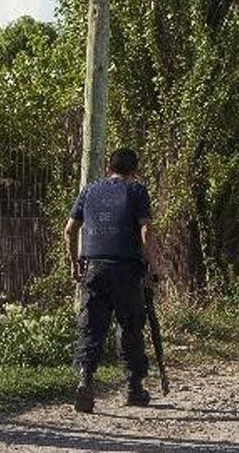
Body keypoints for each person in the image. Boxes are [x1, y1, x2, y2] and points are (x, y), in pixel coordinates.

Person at [64, 148, 158, 413]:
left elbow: (70, 230)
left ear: (108, 168)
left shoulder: (89, 190)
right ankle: (133, 387)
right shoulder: (137, 191)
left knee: (91, 327)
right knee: (130, 326)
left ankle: (85, 380)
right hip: (126, 269)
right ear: (135, 171)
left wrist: (74, 264)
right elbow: (146, 229)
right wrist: (152, 266)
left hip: (94, 268)